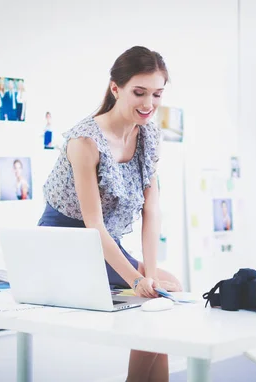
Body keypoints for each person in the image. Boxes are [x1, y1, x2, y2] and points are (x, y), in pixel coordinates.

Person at [39, 46, 182, 382]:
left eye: (157, 94)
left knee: (165, 289)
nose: (149, 104)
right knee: (156, 300)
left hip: (104, 243)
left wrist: (148, 272)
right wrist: (137, 280)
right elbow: (94, 225)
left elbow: (152, 209)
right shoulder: (85, 141)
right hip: (67, 241)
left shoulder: (148, 133)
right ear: (116, 88)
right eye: (139, 93)